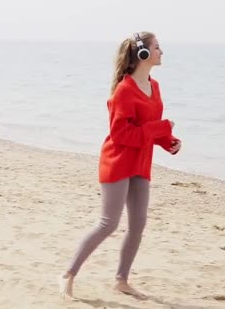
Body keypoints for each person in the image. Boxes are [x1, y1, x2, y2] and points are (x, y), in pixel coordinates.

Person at [59, 31, 181, 301]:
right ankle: (68, 274)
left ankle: (121, 281)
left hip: (141, 162)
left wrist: (168, 141)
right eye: (157, 47)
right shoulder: (124, 91)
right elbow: (122, 135)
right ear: (143, 54)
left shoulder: (154, 86)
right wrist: (160, 128)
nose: (162, 52)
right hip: (118, 161)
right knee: (108, 223)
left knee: (138, 224)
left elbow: (149, 129)